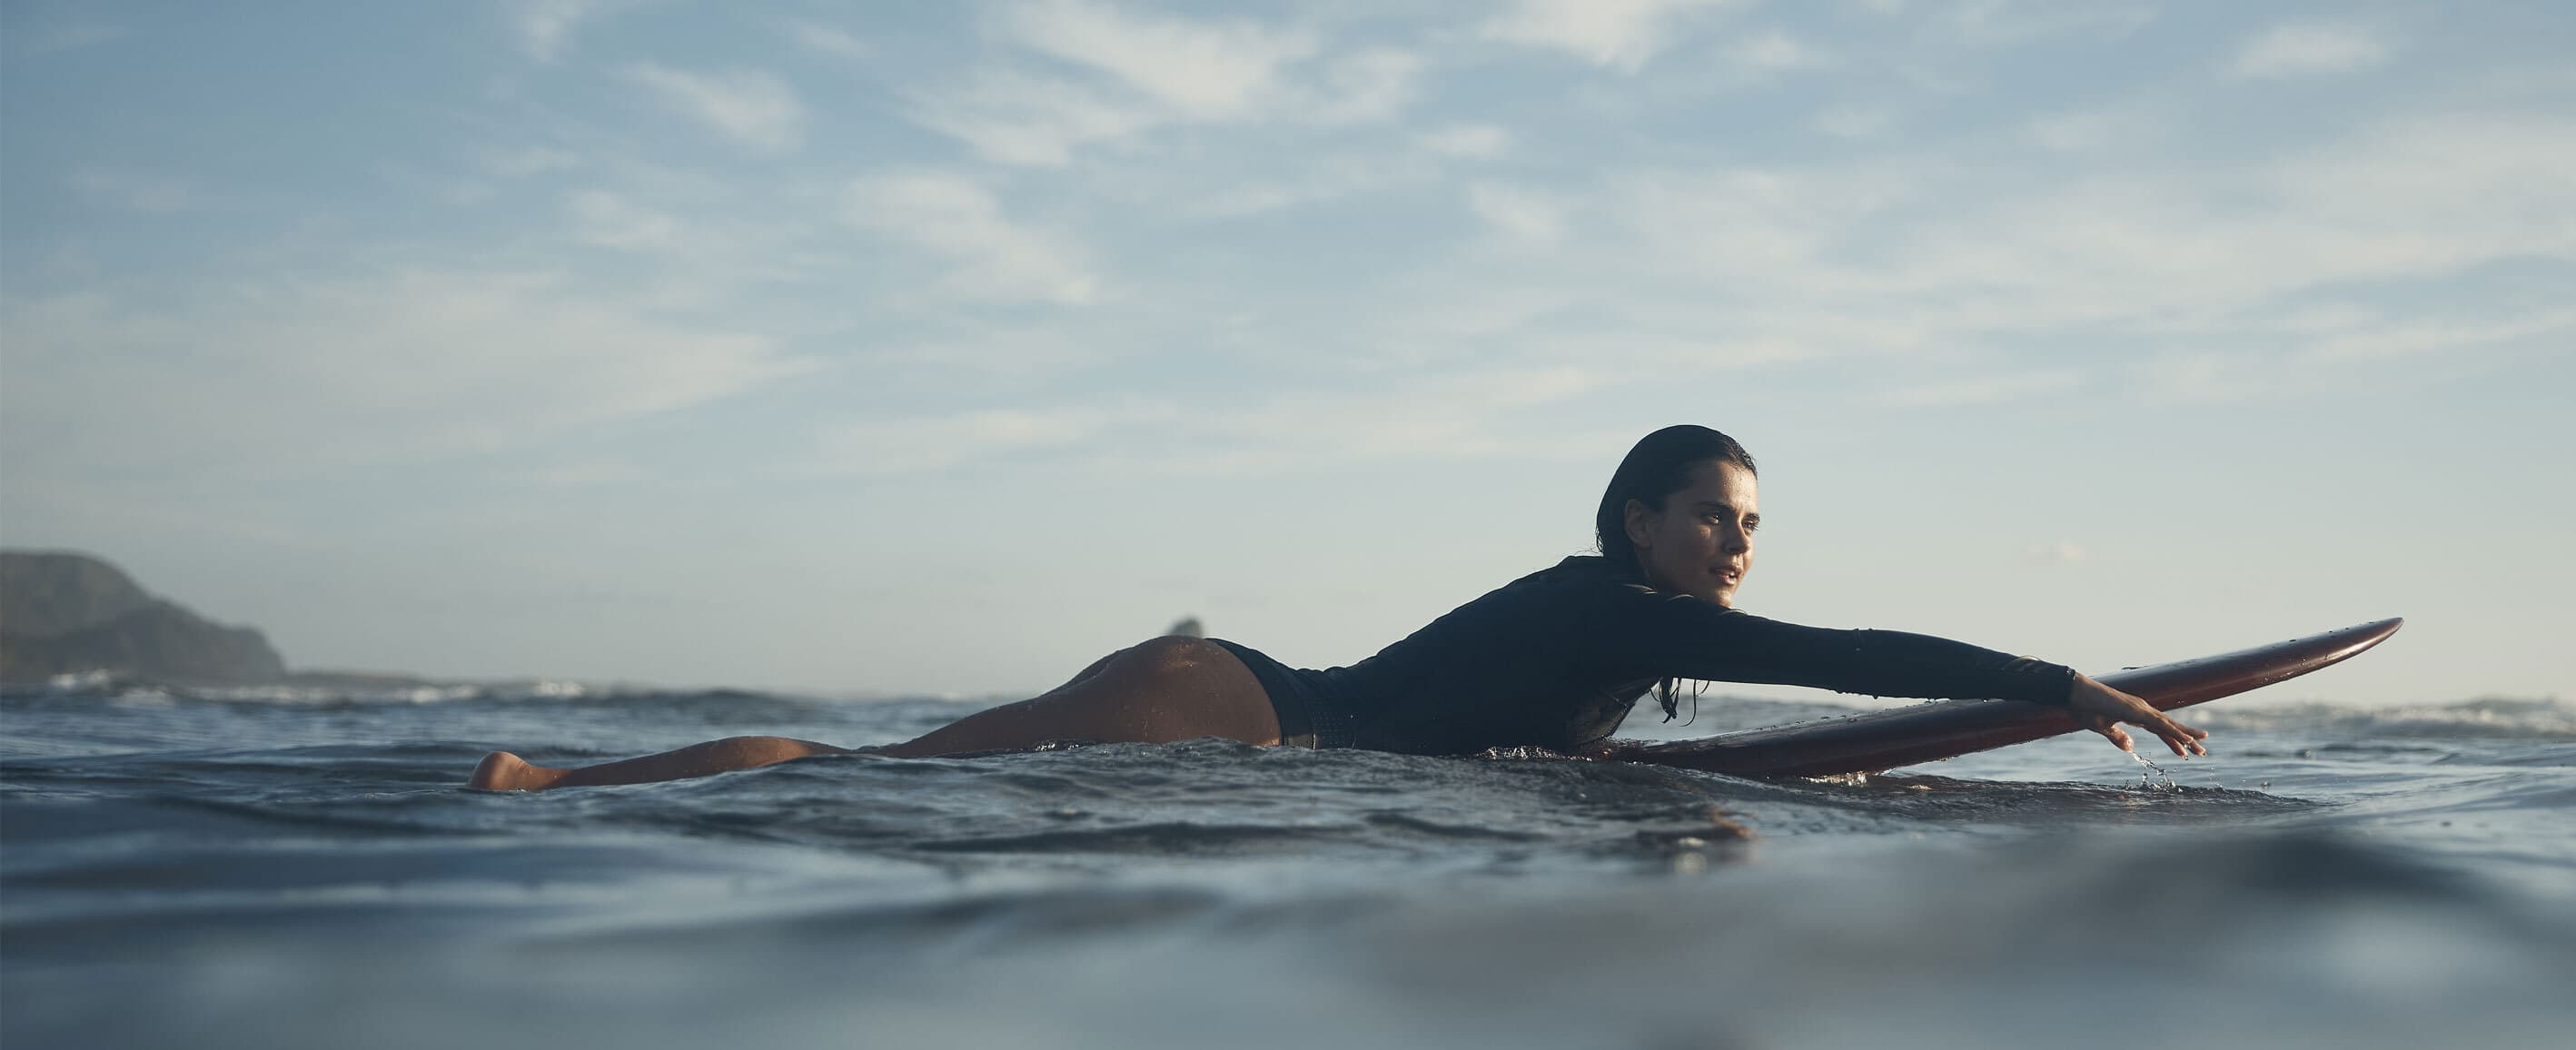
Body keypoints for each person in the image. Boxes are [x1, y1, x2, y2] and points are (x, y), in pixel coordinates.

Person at [467, 425, 2204, 791]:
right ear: (1636, 523)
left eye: (1753, 524)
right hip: (1239, 709)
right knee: (879, 773)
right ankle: (552, 787)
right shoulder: (1633, 612)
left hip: (1232, 694)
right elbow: (1838, 665)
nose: (1735, 548)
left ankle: (559, 787)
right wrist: (2058, 678)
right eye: (1711, 520)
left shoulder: (1622, 620)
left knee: (888, 772)